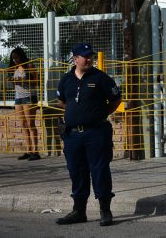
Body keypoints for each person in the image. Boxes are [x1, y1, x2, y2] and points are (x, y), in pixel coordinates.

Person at [55, 43, 121, 227]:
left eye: (90, 55)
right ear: (75, 59)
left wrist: (99, 114)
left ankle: (105, 211)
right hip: (73, 135)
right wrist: (77, 115)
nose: (89, 59)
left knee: (99, 171)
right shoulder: (66, 79)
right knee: (77, 172)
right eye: (85, 56)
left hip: (96, 133)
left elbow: (116, 100)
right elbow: (62, 101)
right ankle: (79, 211)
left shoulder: (101, 78)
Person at [9, 48, 40, 161]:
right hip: (18, 98)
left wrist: (23, 80)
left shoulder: (29, 65)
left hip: (29, 96)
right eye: (13, 58)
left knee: (30, 123)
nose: (15, 60)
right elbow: (14, 85)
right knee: (23, 124)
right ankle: (28, 150)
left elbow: (36, 82)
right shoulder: (15, 68)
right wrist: (12, 80)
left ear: (21, 56)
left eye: (16, 57)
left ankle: (35, 152)